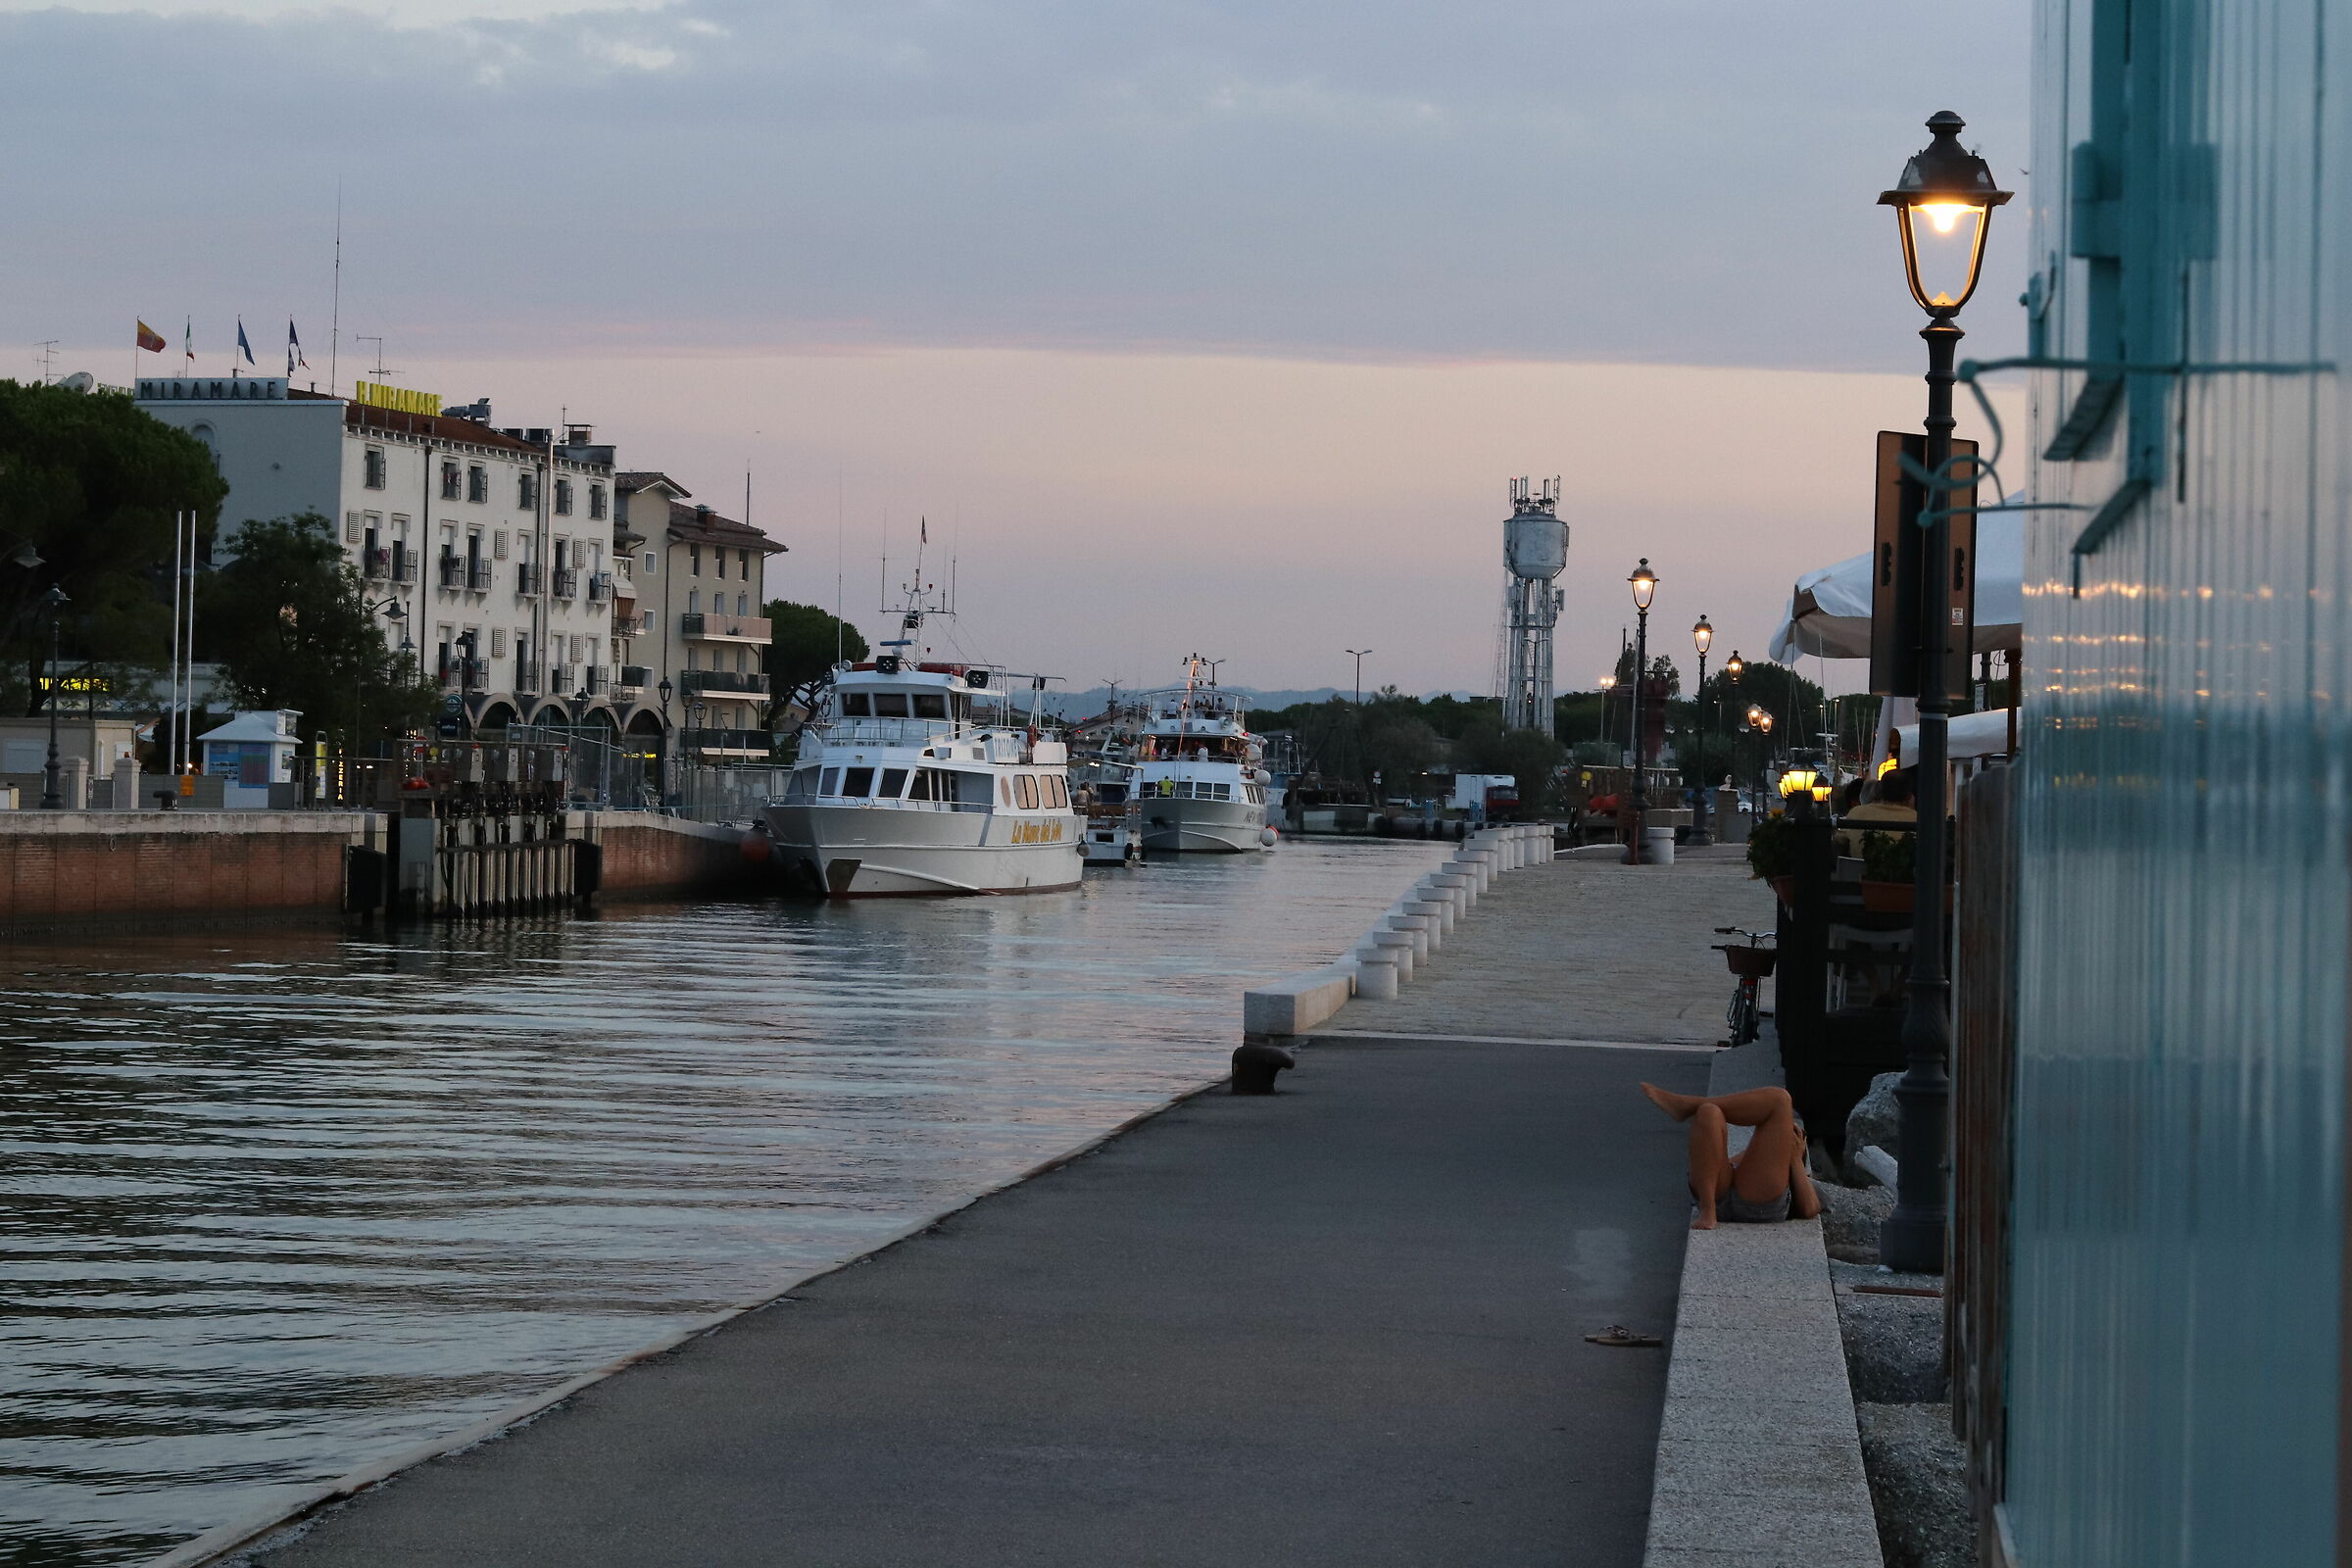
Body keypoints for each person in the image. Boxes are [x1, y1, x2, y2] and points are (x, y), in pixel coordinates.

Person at [1641, 1083, 1822, 1230]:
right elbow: (1720, 1163)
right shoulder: (1759, 1158)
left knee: (1781, 1099)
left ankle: (1688, 1105)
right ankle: (1708, 1211)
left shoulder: (1795, 1169)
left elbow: (1810, 1208)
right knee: (1708, 1112)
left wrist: (1796, 1158)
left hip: (1761, 1206)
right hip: (1715, 1196)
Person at [1838, 766, 1917, 858]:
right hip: (1900, 871)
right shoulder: (1917, 821)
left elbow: (1838, 841)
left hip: (1860, 871)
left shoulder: (1856, 813)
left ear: (1879, 791)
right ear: (1909, 796)